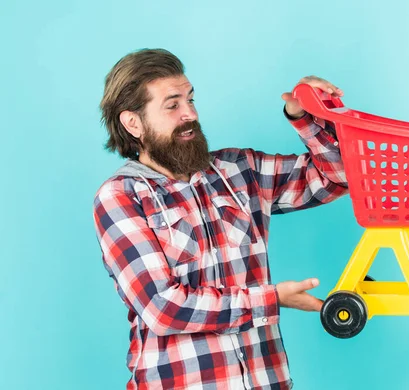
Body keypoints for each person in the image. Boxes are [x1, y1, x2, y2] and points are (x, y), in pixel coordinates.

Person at [92, 48, 348, 389]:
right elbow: (163, 307)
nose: (190, 114)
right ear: (133, 123)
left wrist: (305, 117)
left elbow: (340, 177)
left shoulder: (240, 171)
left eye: (191, 99)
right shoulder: (120, 196)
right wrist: (272, 298)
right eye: (172, 105)